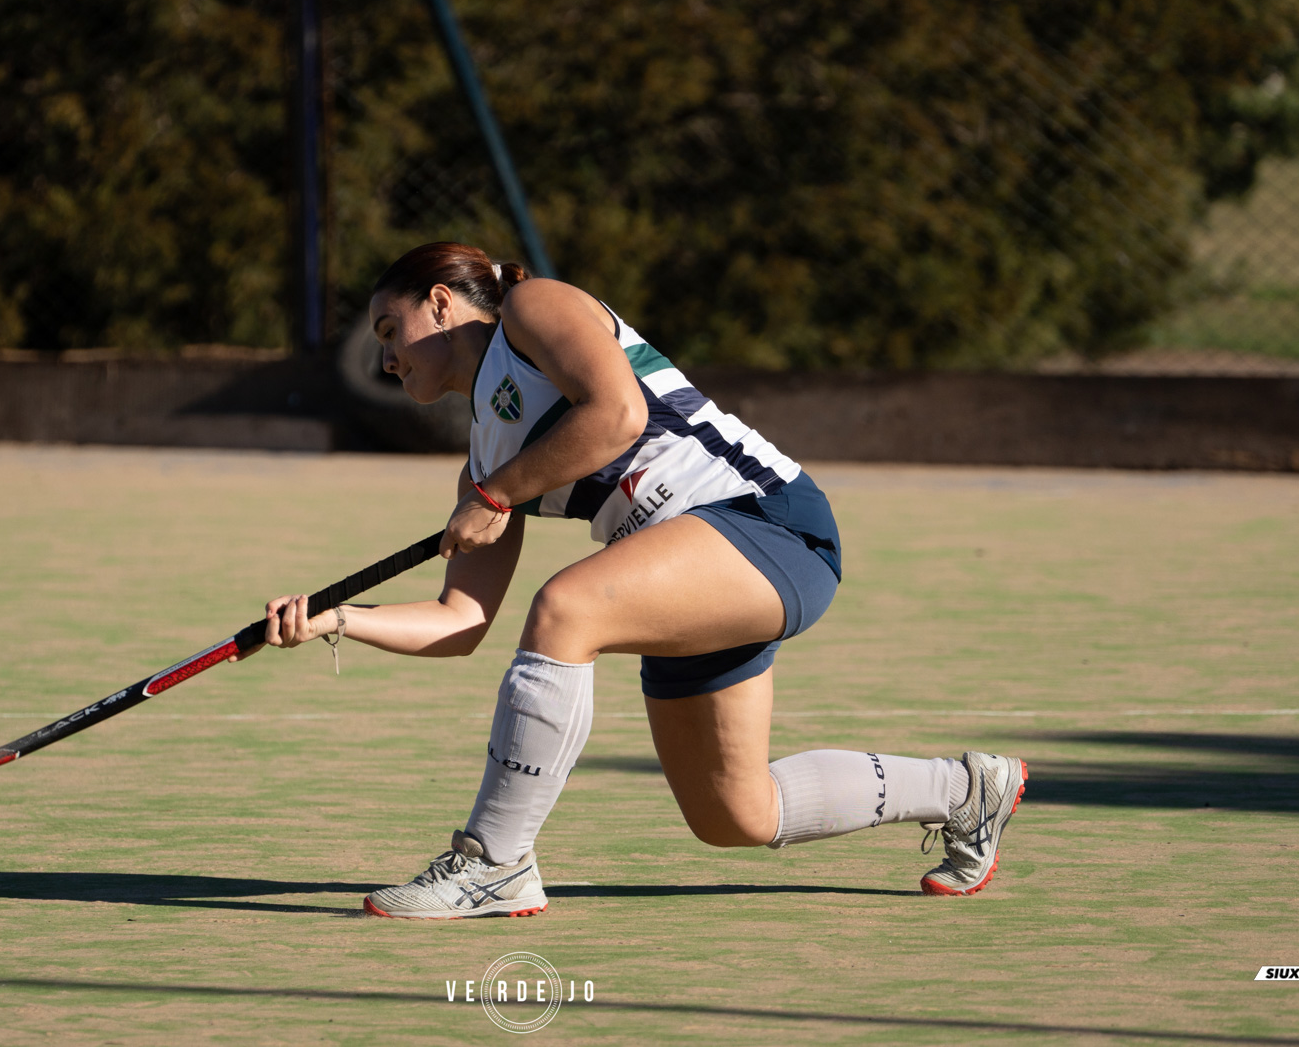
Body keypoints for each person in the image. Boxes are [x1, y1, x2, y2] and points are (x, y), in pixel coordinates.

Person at [257, 242, 1025, 919]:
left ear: (441, 302)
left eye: (391, 333)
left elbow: (618, 413)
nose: (386, 359)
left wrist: (497, 498)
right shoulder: (485, 461)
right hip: (684, 576)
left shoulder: (532, 308)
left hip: (767, 526)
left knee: (567, 606)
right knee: (735, 814)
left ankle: (495, 862)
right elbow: (460, 621)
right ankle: (966, 791)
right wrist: (335, 619)